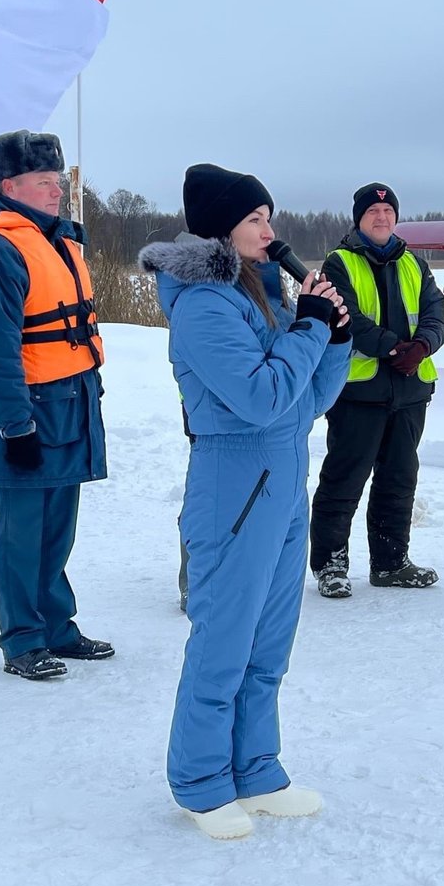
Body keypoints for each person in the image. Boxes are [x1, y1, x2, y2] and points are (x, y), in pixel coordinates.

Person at [138, 164, 352, 839]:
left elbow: (303, 403)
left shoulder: (258, 292)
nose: (270, 230)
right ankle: (200, 782)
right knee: (224, 641)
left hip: (284, 482)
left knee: (269, 643)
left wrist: (335, 339)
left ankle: (256, 769)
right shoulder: (203, 302)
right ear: (221, 227)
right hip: (234, 487)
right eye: (256, 219)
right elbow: (258, 398)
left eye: (269, 217)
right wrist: (311, 330)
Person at [0, 130, 112, 681]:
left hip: (67, 404)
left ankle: (57, 627)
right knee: (21, 531)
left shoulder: (56, 240)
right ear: (8, 185)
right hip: (24, 410)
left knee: (57, 529)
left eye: (58, 181)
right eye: (43, 182)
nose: (56, 192)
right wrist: (13, 425)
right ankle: (22, 639)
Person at [309, 182, 444, 597]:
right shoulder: (339, 263)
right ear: (359, 218)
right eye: (373, 212)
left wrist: (422, 345)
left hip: (410, 391)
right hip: (359, 392)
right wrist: (391, 347)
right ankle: (330, 566)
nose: (382, 218)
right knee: (344, 479)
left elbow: (435, 311)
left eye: (388, 213)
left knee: (399, 479)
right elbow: (346, 316)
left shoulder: (414, 264)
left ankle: (390, 563)